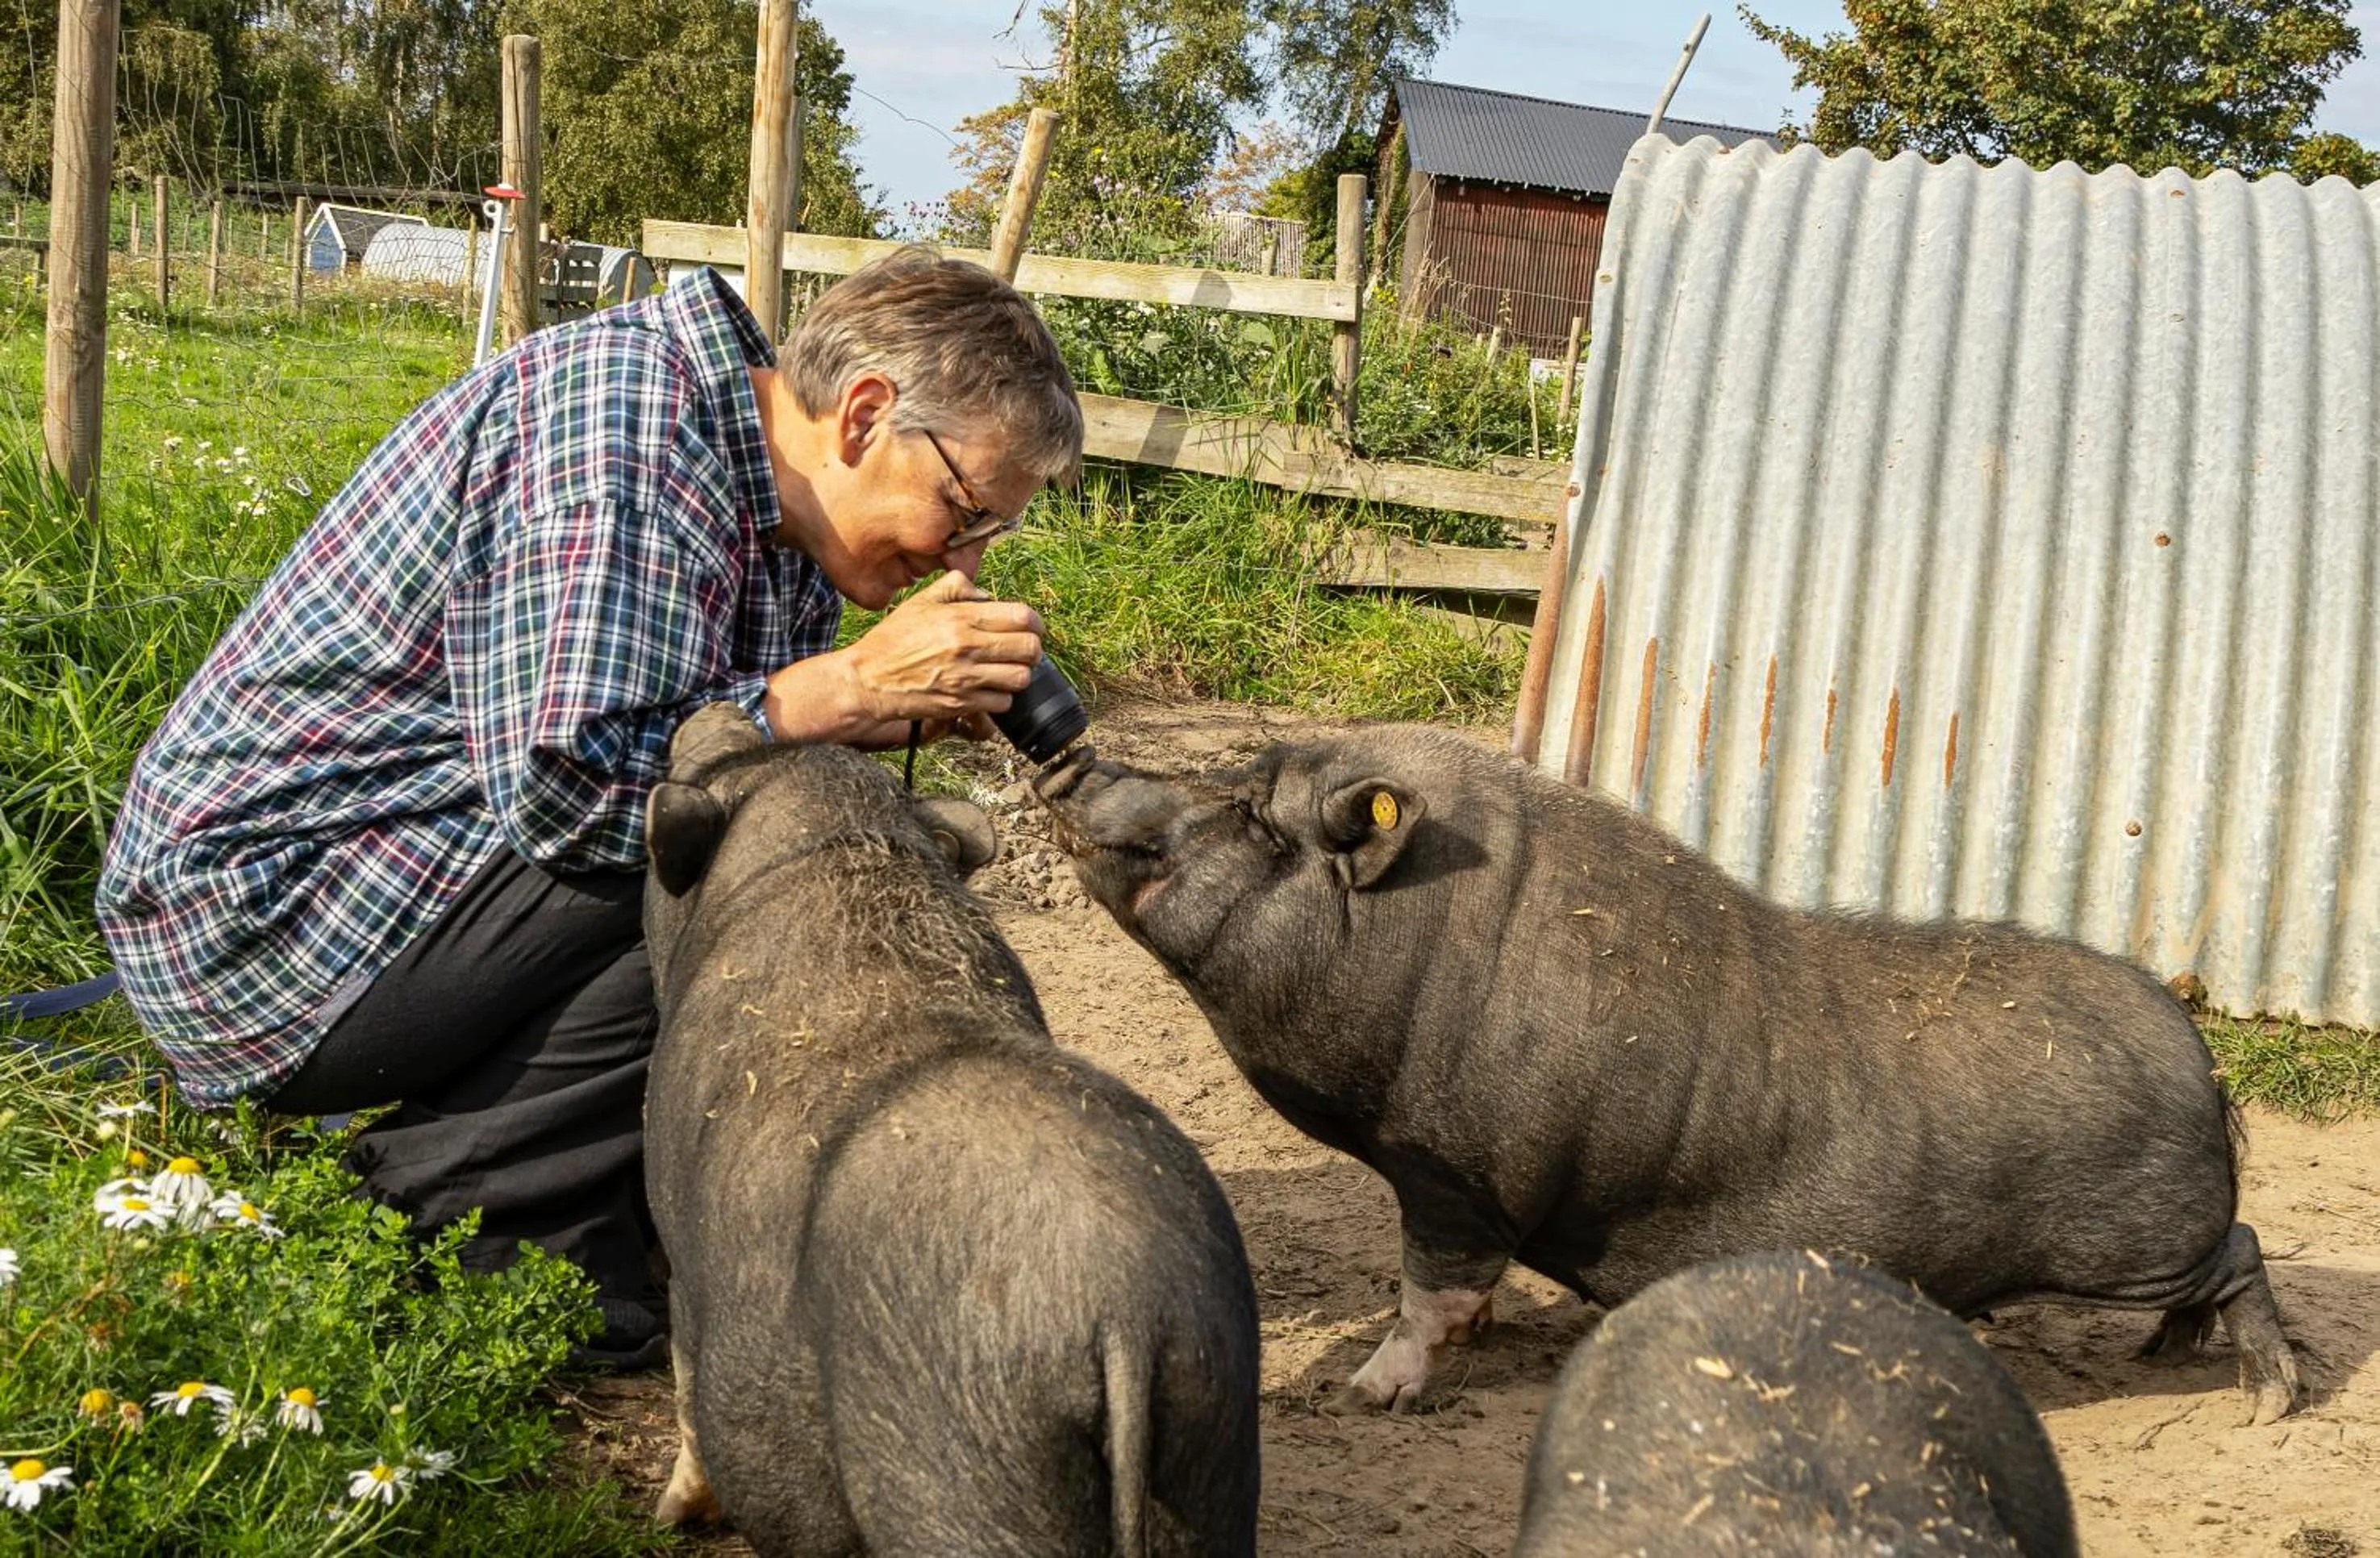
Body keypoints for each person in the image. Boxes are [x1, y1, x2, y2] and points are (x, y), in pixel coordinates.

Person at [95, 247, 1082, 1368]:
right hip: (273, 918)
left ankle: (543, 1187)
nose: (957, 555)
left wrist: (862, 716)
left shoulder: (771, 497)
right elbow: (576, 792)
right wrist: (838, 691)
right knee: (738, 850)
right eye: (963, 513)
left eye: (984, 536)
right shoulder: (627, 443)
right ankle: (474, 1226)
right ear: (862, 413)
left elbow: (702, 723)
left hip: (404, 878)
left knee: (788, 810)